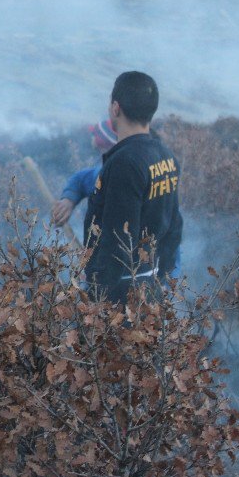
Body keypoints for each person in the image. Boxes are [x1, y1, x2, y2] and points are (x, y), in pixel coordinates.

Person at [83, 72, 183, 304]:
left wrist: (97, 294)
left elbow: (120, 238)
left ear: (115, 108)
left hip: (120, 294)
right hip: (149, 287)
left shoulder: (125, 163)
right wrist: (161, 279)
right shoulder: (165, 155)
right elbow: (175, 227)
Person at [51, 118, 117, 228]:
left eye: (94, 134)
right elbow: (81, 178)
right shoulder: (103, 166)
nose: (92, 136)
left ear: (101, 140)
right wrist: (69, 199)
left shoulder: (107, 172)